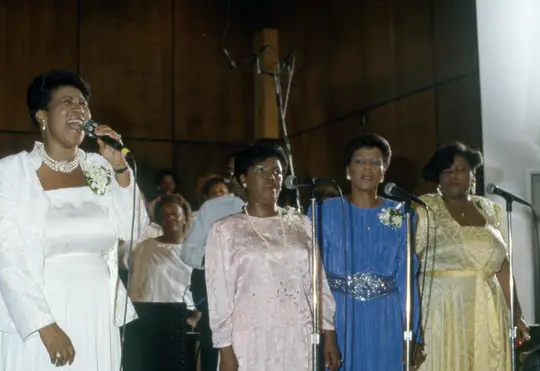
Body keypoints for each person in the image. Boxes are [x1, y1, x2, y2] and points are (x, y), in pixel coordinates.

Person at [0, 69, 148, 371]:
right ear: (42, 116)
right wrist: (44, 325)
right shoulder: (9, 172)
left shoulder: (99, 165)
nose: (79, 109)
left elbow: (135, 229)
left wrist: (122, 170)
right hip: (39, 312)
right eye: (67, 101)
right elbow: (3, 254)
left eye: (83, 103)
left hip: (97, 310)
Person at [205, 144, 340, 371]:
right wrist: (225, 350)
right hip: (249, 339)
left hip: (298, 334)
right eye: (261, 171)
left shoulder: (301, 224)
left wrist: (329, 333)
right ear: (243, 179)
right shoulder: (225, 230)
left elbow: (318, 284)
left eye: (277, 171)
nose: (271, 178)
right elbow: (219, 297)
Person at [311, 133, 422, 370]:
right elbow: (314, 278)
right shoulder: (323, 212)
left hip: (385, 317)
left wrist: (411, 333)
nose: (368, 168)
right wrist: (326, 331)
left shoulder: (400, 214)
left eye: (375, 162)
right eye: (360, 161)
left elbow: (406, 278)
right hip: (339, 317)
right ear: (347, 170)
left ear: (384, 170)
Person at [415, 142, 529, 371]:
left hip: (487, 309)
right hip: (441, 309)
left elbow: (503, 266)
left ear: (472, 174)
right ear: (438, 177)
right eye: (446, 170)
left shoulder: (490, 209)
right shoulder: (424, 209)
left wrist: (516, 313)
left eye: (460, 169)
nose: (453, 176)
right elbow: (407, 265)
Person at [181, 152, 245, 371]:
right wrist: (217, 257)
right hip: (219, 301)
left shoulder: (284, 214)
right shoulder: (214, 208)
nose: (236, 179)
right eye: (231, 174)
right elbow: (189, 253)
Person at [128, 194, 200, 324]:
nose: (169, 217)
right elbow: (135, 287)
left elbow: (204, 293)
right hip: (151, 316)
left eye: (174, 213)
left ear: (184, 217)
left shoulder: (198, 251)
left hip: (186, 317)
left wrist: (195, 318)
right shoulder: (145, 248)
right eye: (165, 214)